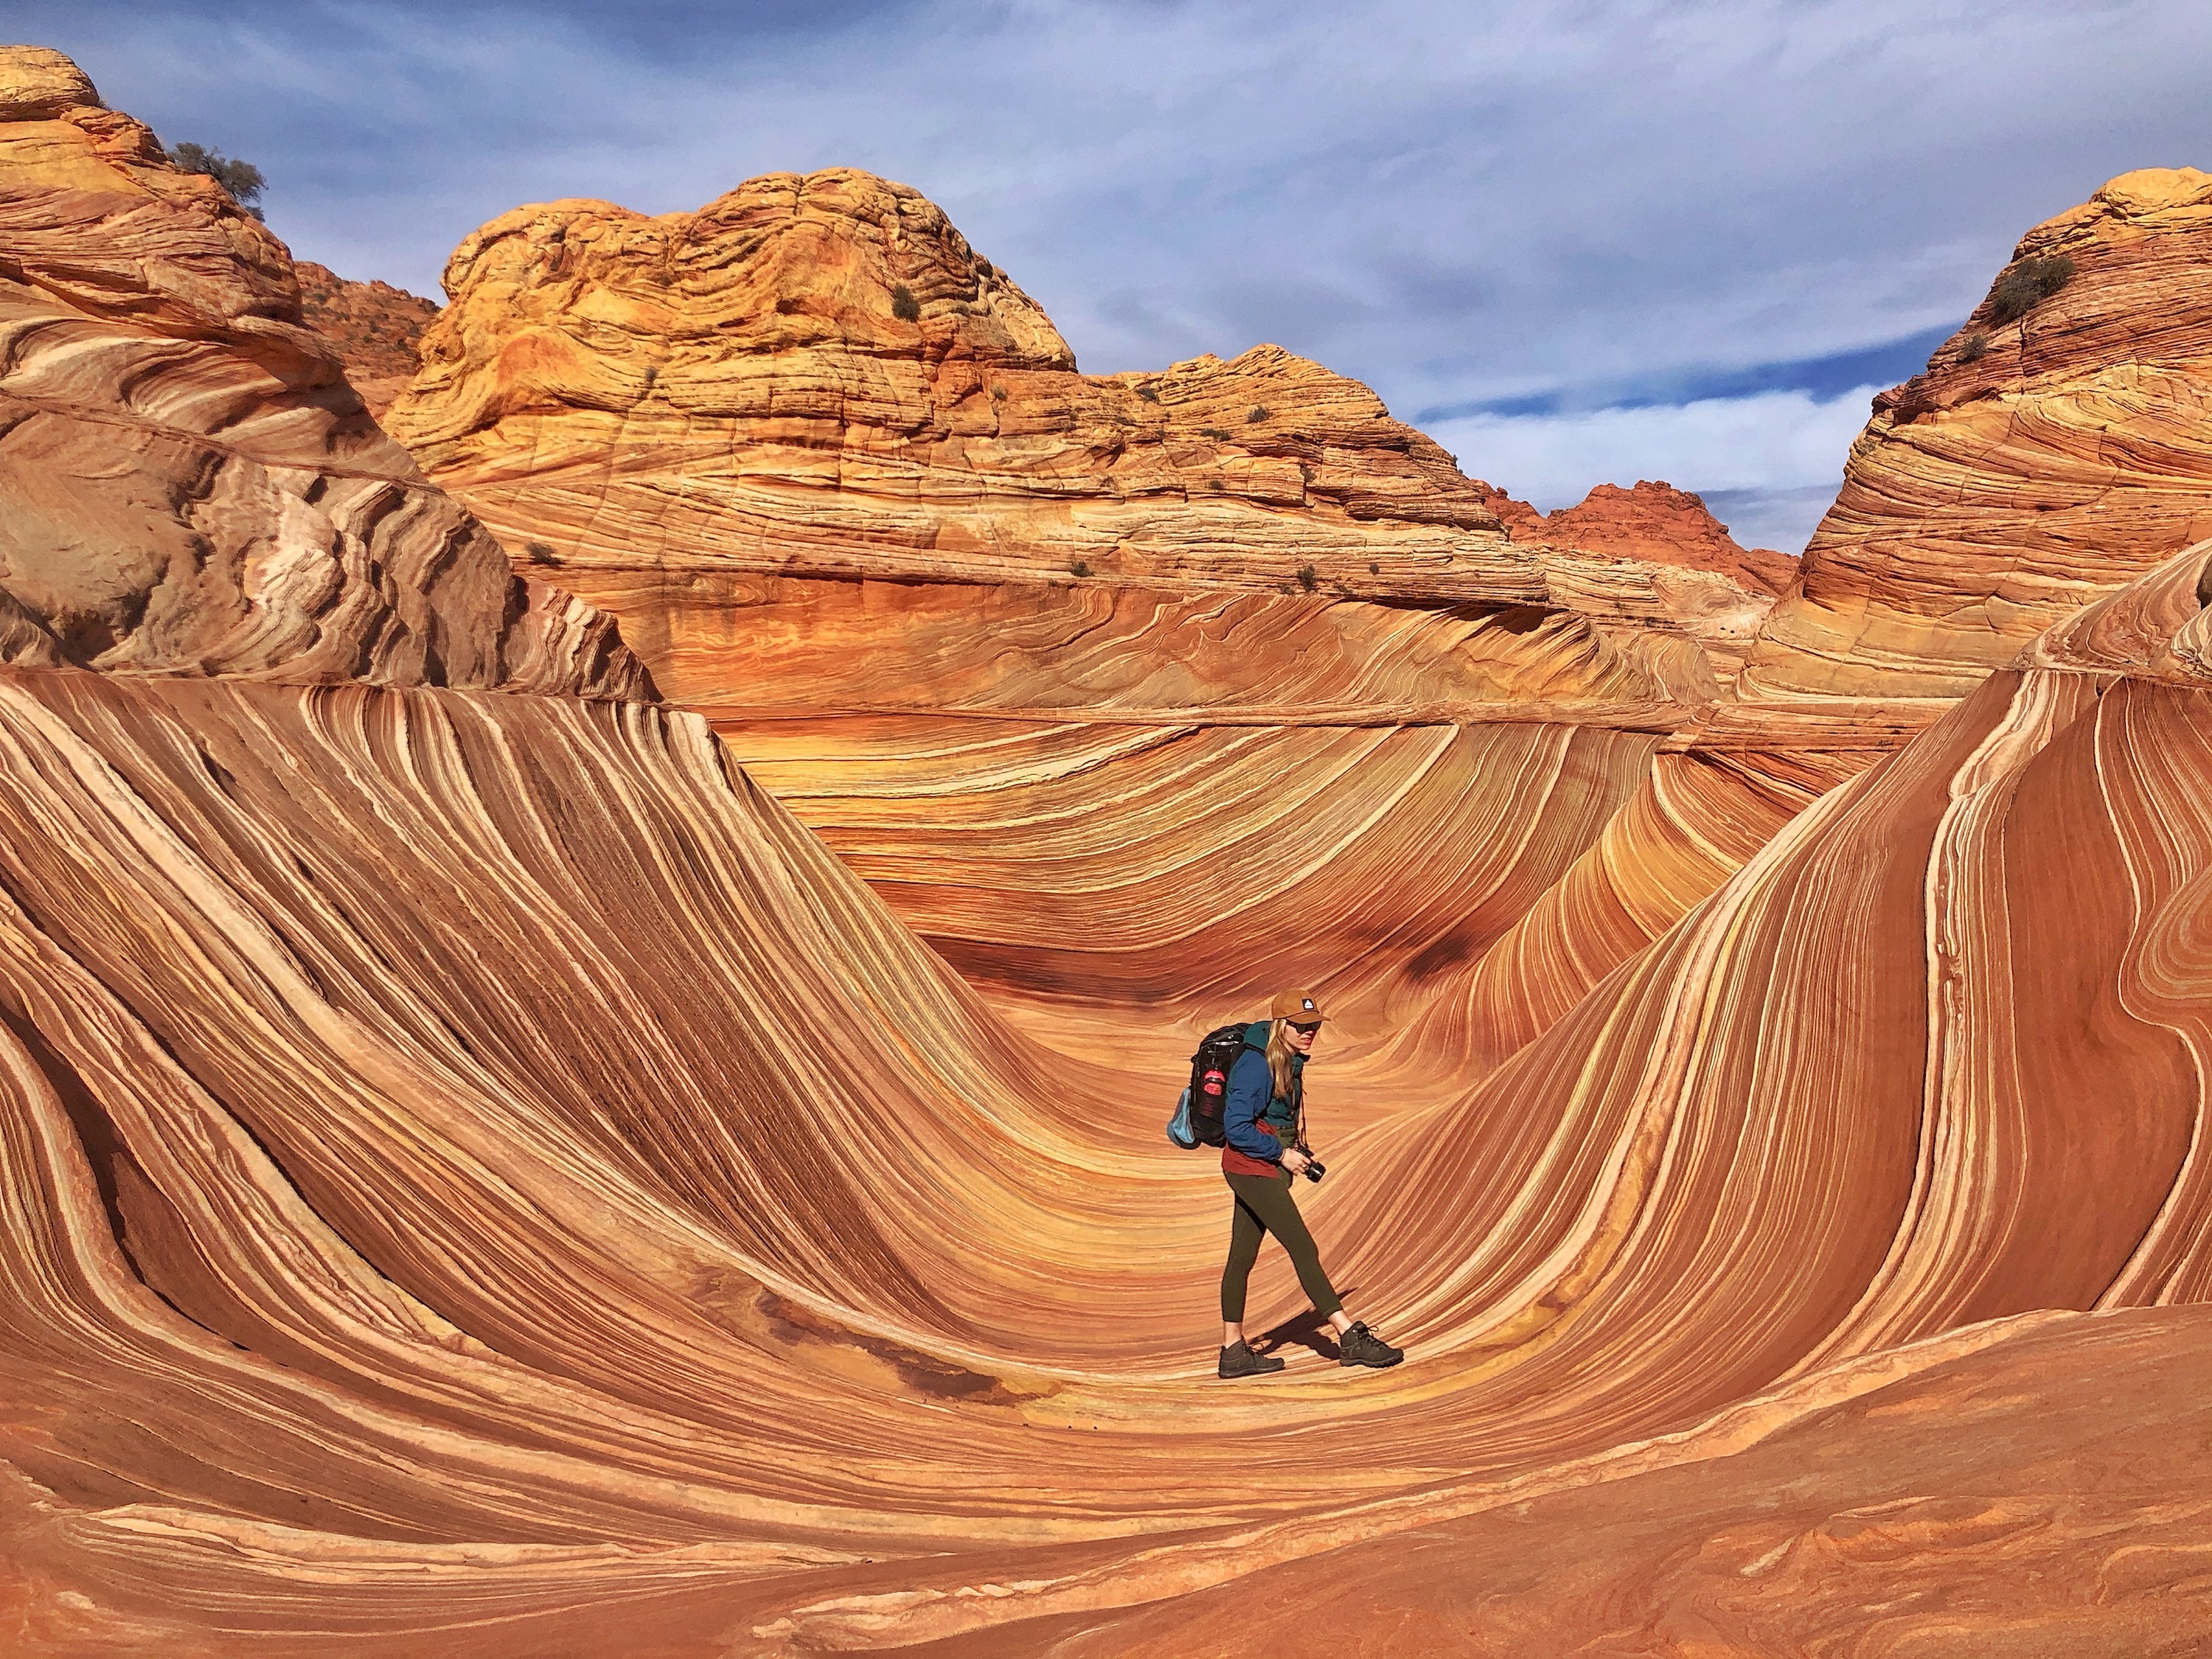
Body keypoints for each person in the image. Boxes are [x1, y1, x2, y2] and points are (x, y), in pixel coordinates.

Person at [1217, 990, 1403, 1378]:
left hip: (1260, 1166)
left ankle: (1233, 1350)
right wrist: (1280, 1154)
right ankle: (1348, 1335)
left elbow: (1272, 1115)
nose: (1309, 1032)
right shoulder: (1256, 1065)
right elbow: (1237, 1127)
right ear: (1281, 1026)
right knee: (1303, 1246)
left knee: (1241, 1257)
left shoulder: (1283, 1059)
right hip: (1253, 1168)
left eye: (1314, 1025)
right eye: (1301, 1026)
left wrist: (1292, 1148)